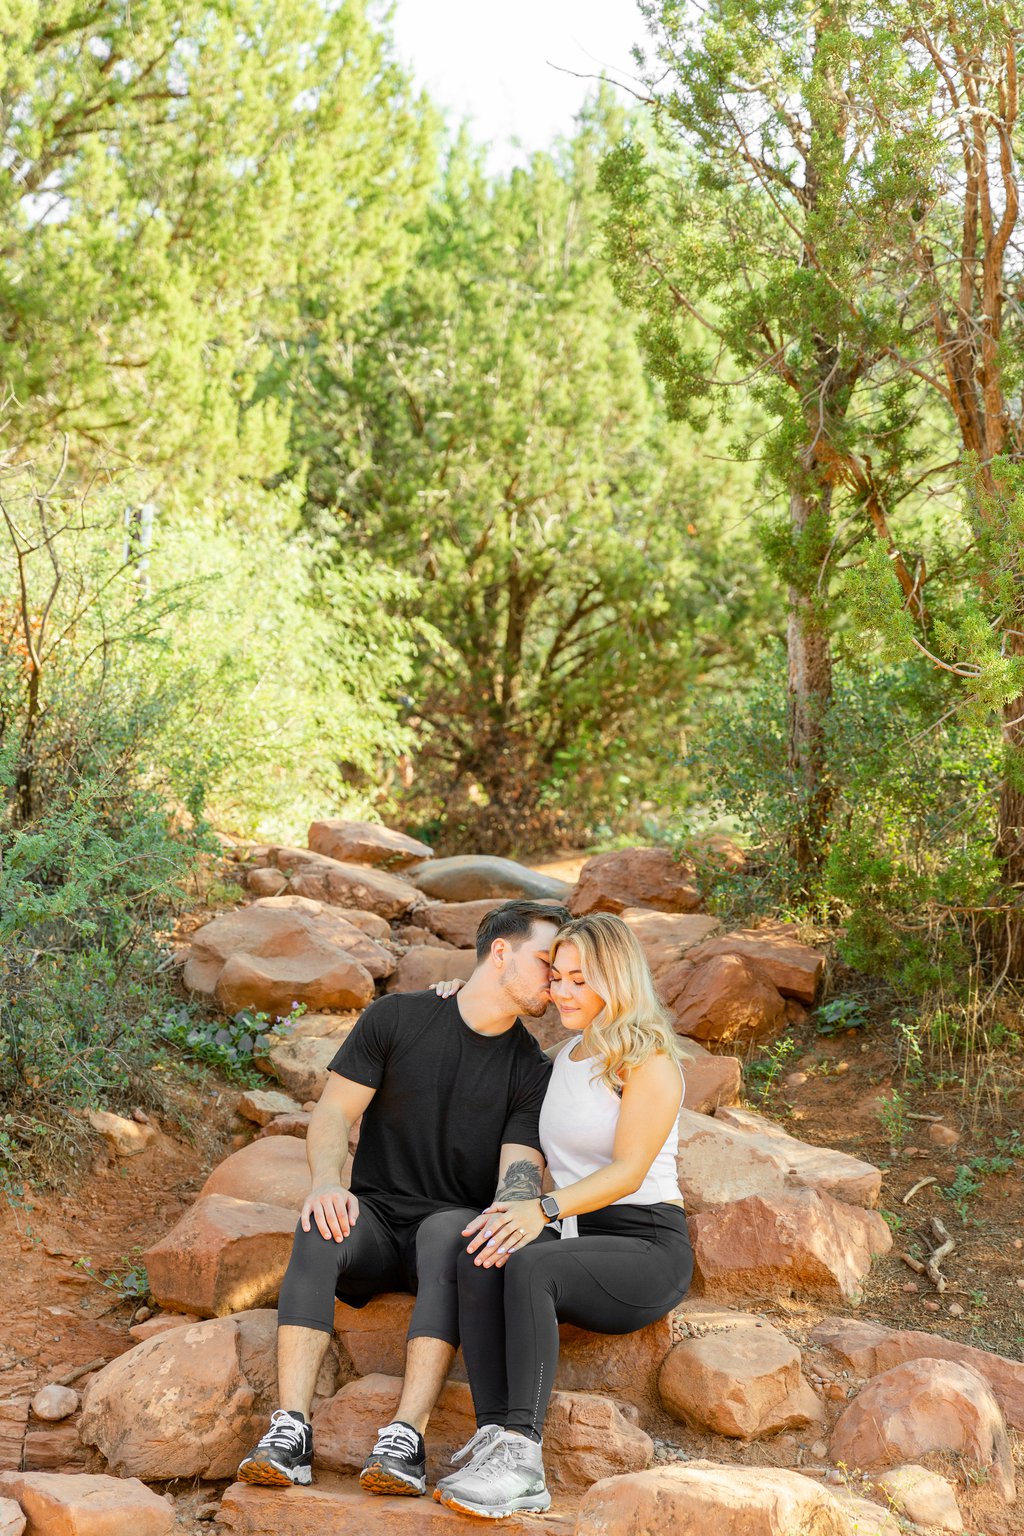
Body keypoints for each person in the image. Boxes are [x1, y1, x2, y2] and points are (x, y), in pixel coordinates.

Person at [236, 897, 570, 1496]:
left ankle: (405, 1438)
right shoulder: (397, 1017)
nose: (556, 979)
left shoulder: (531, 1070)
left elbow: (518, 1175)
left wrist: (516, 1211)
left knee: (447, 1232)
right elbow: (334, 1113)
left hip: (447, 1248)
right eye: (547, 961)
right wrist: (326, 1182)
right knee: (320, 1222)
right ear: (500, 953)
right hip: (377, 1225)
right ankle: (290, 1432)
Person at [429, 912, 693, 1519]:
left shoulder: (648, 1061)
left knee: (532, 1265)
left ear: (616, 980)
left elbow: (629, 1172)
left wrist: (541, 1209)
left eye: (581, 980)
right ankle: (496, 1437)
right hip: (577, 1237)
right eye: (557, 977)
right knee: (481, 1249)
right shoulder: (565, 1055)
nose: (563, 992)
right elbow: (492, 1045)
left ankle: (525, 1462)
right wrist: (460, 997)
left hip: (646, 1247)